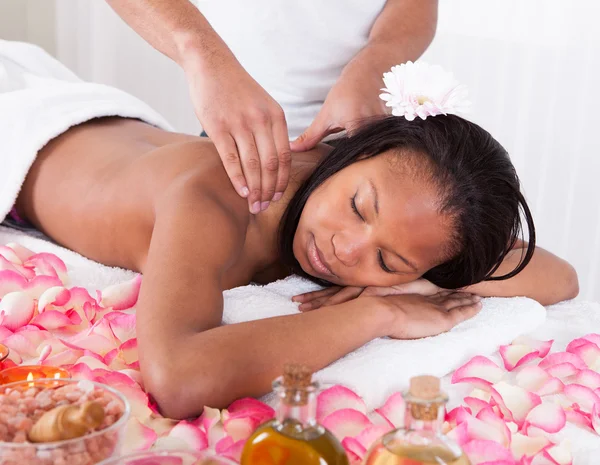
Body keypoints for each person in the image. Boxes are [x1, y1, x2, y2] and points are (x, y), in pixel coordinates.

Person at [2, 44, 577, 420]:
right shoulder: (216, 199)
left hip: (112, 129)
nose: (344, 249)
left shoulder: (391, 206)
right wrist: (380, 312)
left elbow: (559, 276)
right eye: (357, 206)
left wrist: (421, 282)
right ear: (351, 149)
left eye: (388, 262)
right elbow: (178, 378)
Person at [105, 0, 438, 214]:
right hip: (235, 129)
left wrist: (373, 66)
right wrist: (200, 53)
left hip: (359, 133)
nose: (348, 251)